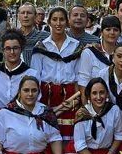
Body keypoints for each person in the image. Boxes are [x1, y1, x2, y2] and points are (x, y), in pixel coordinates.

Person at [31, 7, 83, 144]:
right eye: (54, 19)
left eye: (62, 19)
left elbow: (79, 76)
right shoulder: (41, 47)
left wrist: (77, 101)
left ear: (67, 22)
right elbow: (35, 77)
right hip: (46, 96)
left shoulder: (76, 47)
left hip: (71, 97)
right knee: (46, 133)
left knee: (69, 135)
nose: (58, 23)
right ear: (49, 22)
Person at [0, 30, 38, 120]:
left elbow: (35, 100)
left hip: (22, 119)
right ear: (3, 50)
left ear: (21, 49)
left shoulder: (31, 74)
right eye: (8, 48)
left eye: (15, 48)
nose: (12, 52)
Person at [77, 16, 120, 98]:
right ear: (101, 32)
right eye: (108, 29)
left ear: (119, 33)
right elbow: (83, 82)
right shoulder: (89, 53)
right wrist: (87, 108)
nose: (112, 33)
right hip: (96, 103)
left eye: (116, 30)